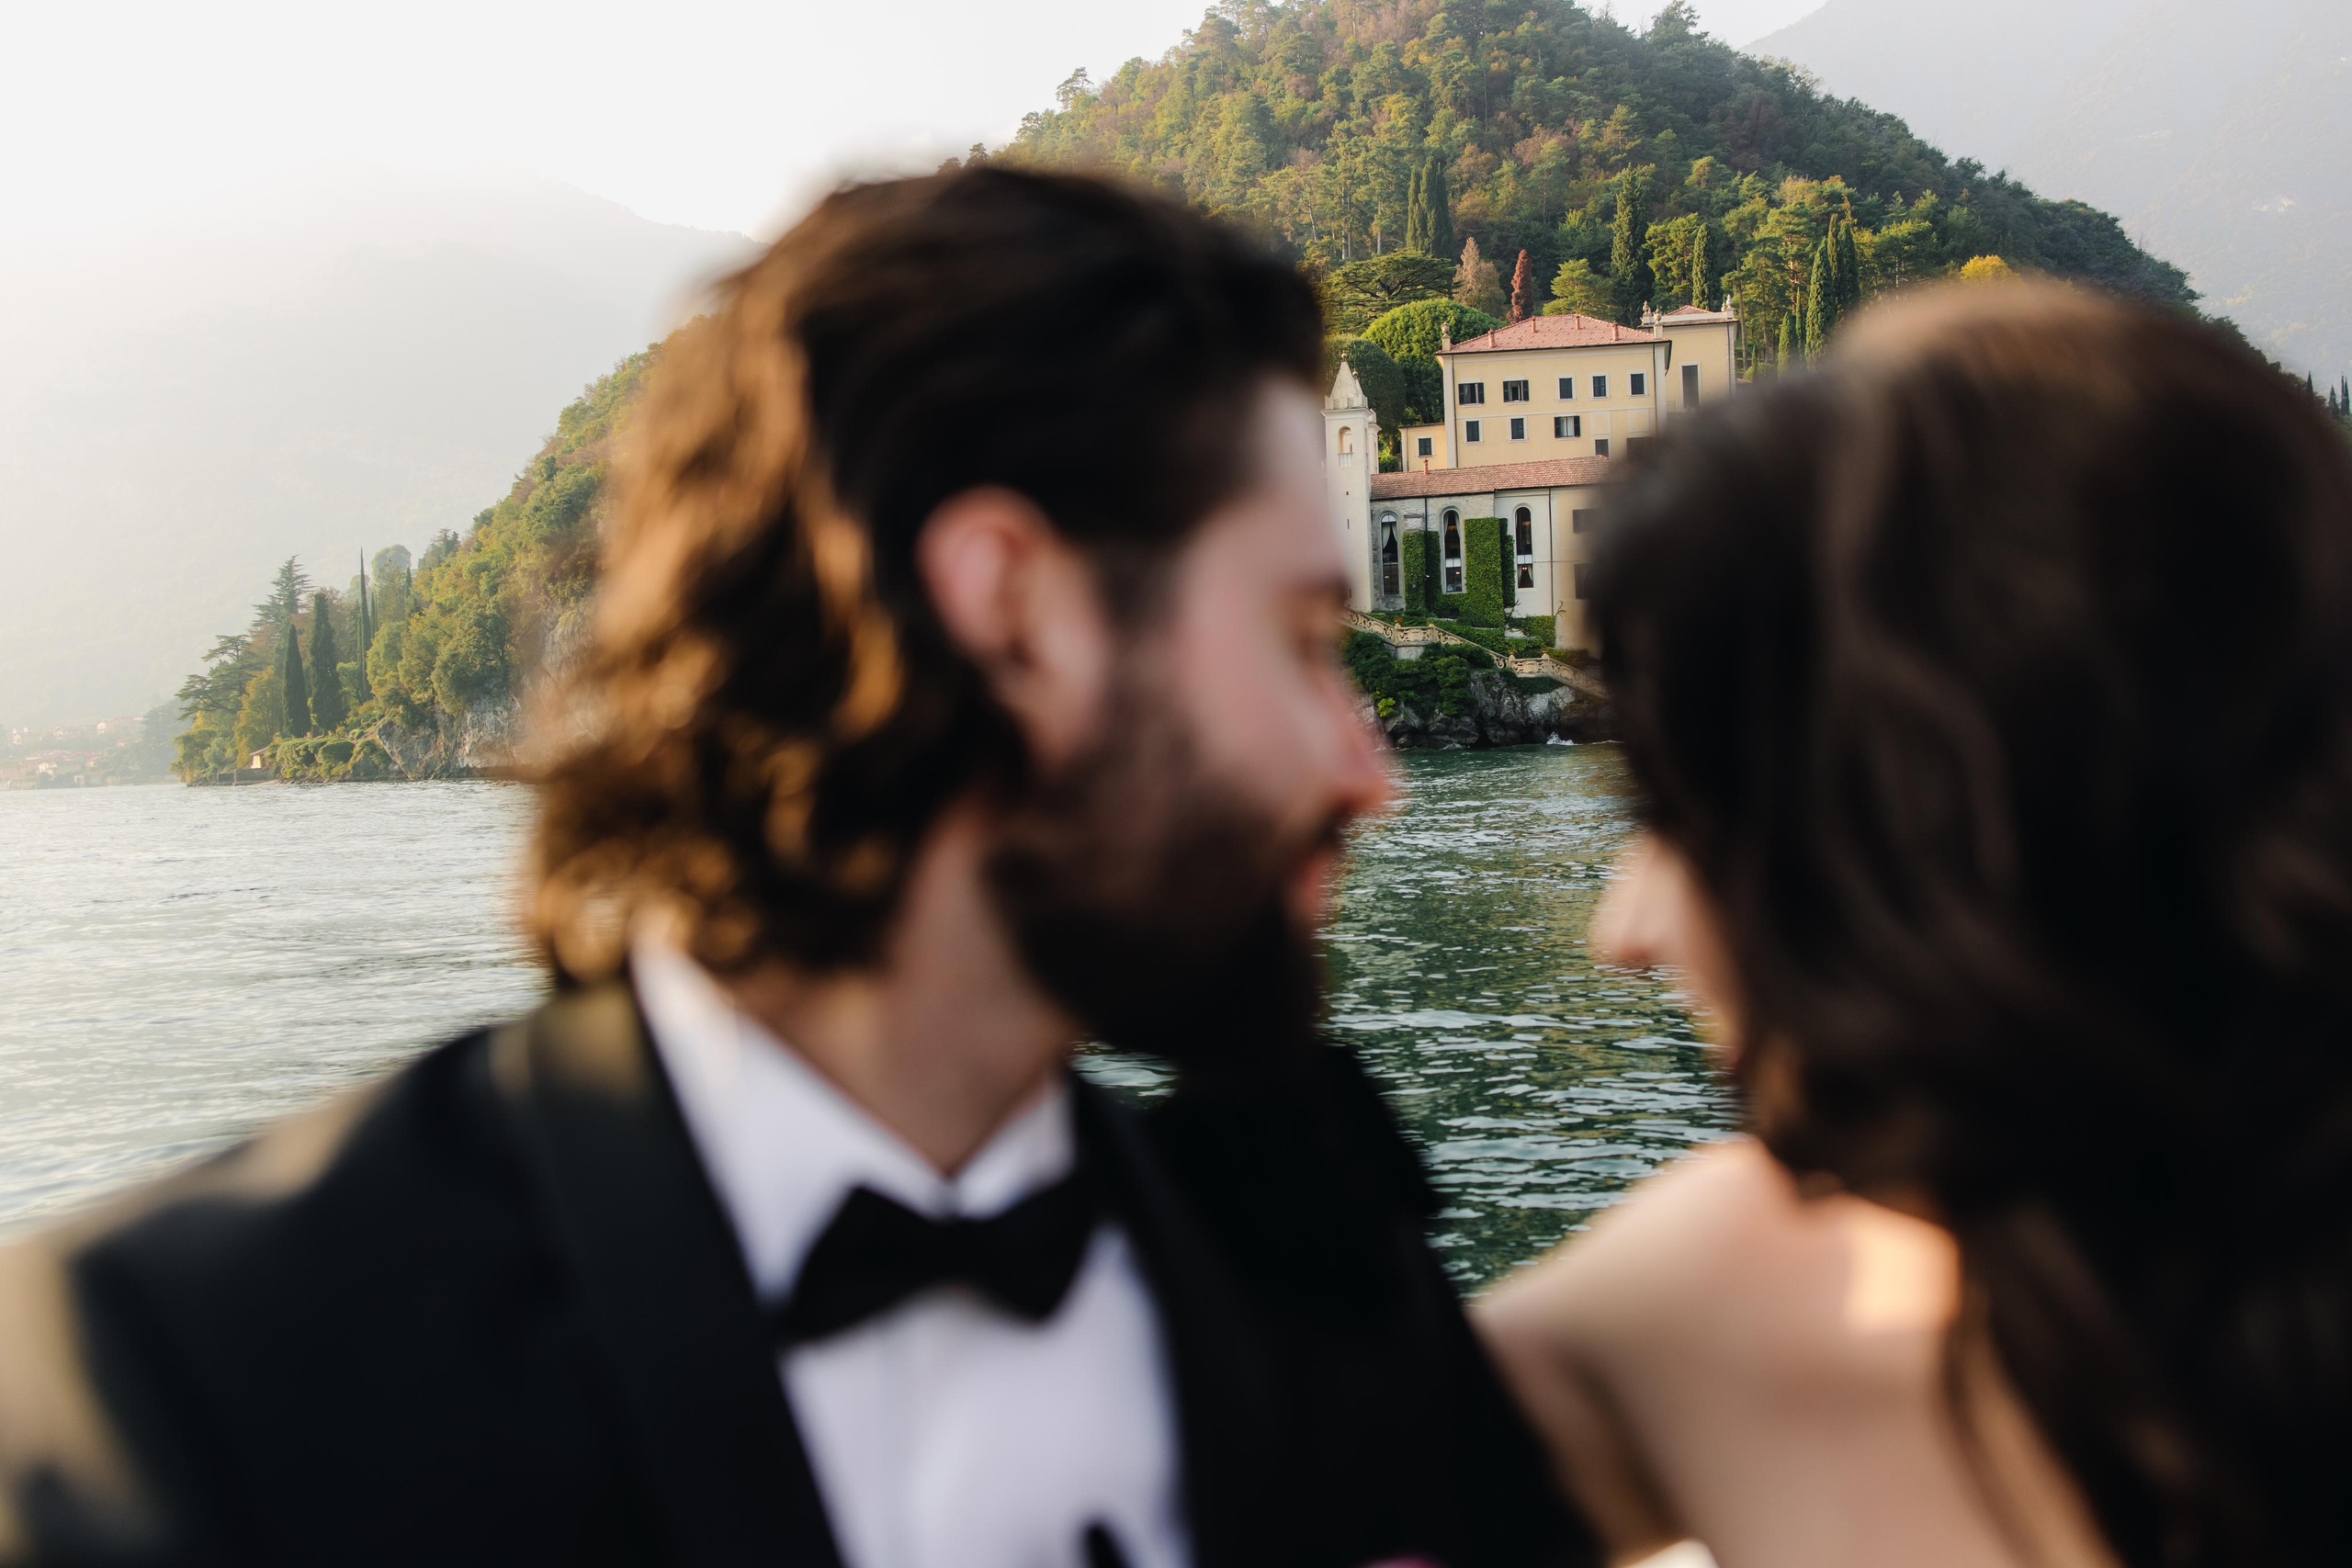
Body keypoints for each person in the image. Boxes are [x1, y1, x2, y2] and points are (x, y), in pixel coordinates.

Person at [0, 167, 1590, 1568]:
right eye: (1300, 642)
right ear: (1010, 605)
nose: (1367, 772)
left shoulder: (1309, 1279)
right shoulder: (176, 1388)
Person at [1477, 281, 2352, 1568]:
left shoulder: (1736, 1301)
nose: (1625, 931)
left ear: (1952, 828)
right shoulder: (1689, 1305)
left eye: (1686, 816)